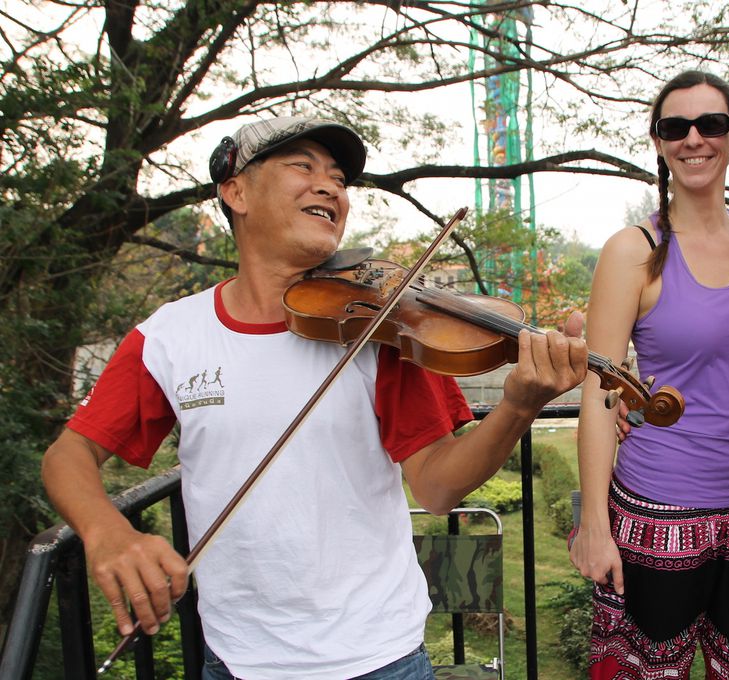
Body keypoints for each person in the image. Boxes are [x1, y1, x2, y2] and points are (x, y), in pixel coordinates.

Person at [40, 116, 589, 680]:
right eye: (302, 166)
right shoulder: (169, 338)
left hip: (380, 656)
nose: (330, 186)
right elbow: (68, 456)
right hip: (235, 661)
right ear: (236, 191)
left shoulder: (382, 328)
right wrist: (107, 531)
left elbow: (439, 486)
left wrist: (519, 406)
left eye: (338, 177)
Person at [569, 71, 729, 679]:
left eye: (711, 124)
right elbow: (600, 391)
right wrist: (594, 528)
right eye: (675, 127)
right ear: (659, 142)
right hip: (654, 514)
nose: (694, 139)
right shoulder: (632, 250)